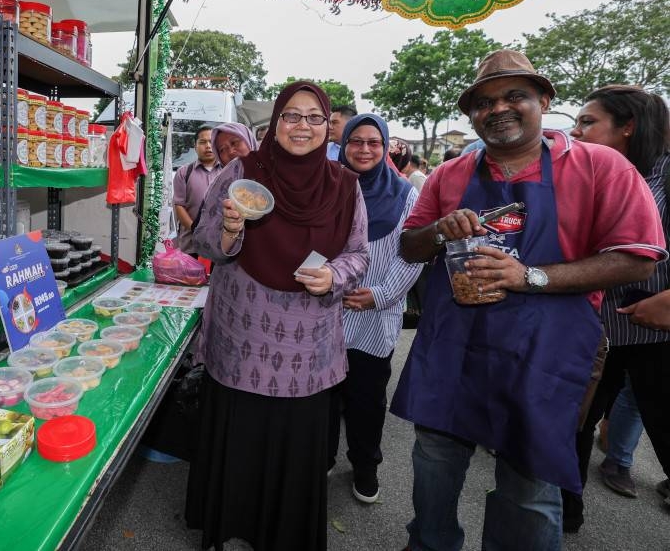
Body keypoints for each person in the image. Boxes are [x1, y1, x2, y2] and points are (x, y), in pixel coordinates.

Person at [390, 50, 665, 551]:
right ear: (472, 113)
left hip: (544, 349)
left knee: (530, 482)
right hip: (455, 342)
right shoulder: (452, 173)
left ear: (543, 99)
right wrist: (437, 232)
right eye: (484, 101)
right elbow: (409, 245)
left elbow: (638, 257)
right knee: (434, 461)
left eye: (514, 95)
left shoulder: (600, 166)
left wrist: (529, 275)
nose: (498, 108)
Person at [185, 81, 369, 551]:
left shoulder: (345, 184)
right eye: (291, 115)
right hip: (241, 336)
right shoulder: (241, 172)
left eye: (314, 117)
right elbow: (204, 245)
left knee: (292, 442)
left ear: (328, 126)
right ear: (275, 123)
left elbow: (358, 254)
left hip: (306, 349)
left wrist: (334, 276)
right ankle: (228, 526)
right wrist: (229, 230)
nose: (302, 126)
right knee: (241, 438)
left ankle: (282, 534)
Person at [562, 85, 670, 526]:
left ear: (628, 127)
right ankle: (566, 509)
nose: (577, 131)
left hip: (655, 331)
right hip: (594, 327)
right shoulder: (584, 175)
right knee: (575, 423)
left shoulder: (663, 174)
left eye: (589, 122)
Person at [330, 114, 424, 503]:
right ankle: (319, 457)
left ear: (385, 148)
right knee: (322, 398)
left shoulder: (406, 195)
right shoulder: (328, 187)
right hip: (326, 313)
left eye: (374, 142)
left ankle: (365, 465)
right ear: (344, 144)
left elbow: (415, 256)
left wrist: (380, 294)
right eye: (356, 141)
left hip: (374, 319)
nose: (364, 149)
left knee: (366, 402)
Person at [172, 125, 221, 254]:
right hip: (191, 244)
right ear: (195, 146)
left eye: (211, 142)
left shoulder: (227, 171)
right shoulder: (184, 173)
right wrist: (196, 230)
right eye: (203, 142)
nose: (208, 146)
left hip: (221, 244)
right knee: (189, 274)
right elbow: (179, 206)